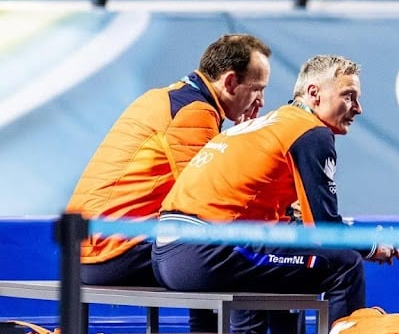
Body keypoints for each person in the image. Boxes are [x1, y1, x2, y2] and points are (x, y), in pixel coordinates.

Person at [153, 54, 399, 334]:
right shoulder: (310, 132)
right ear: (314, 94)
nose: (357, 108)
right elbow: (325, 230)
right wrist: (370, 243)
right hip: (204, 251)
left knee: (288, 258)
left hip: (169, 252)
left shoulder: (267, 124)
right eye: (348, 95)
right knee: (343, 264)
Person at [66, 33, 271, 286]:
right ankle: (227, 328)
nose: (261, 101)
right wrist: (245, 137)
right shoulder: (193, 113)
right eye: (257, 89)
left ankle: (209, 327)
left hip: (87, 249)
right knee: (224, 255)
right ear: (229, 82)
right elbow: (212, 202)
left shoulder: (170, 98)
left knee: (207, 250)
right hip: (109, 252)